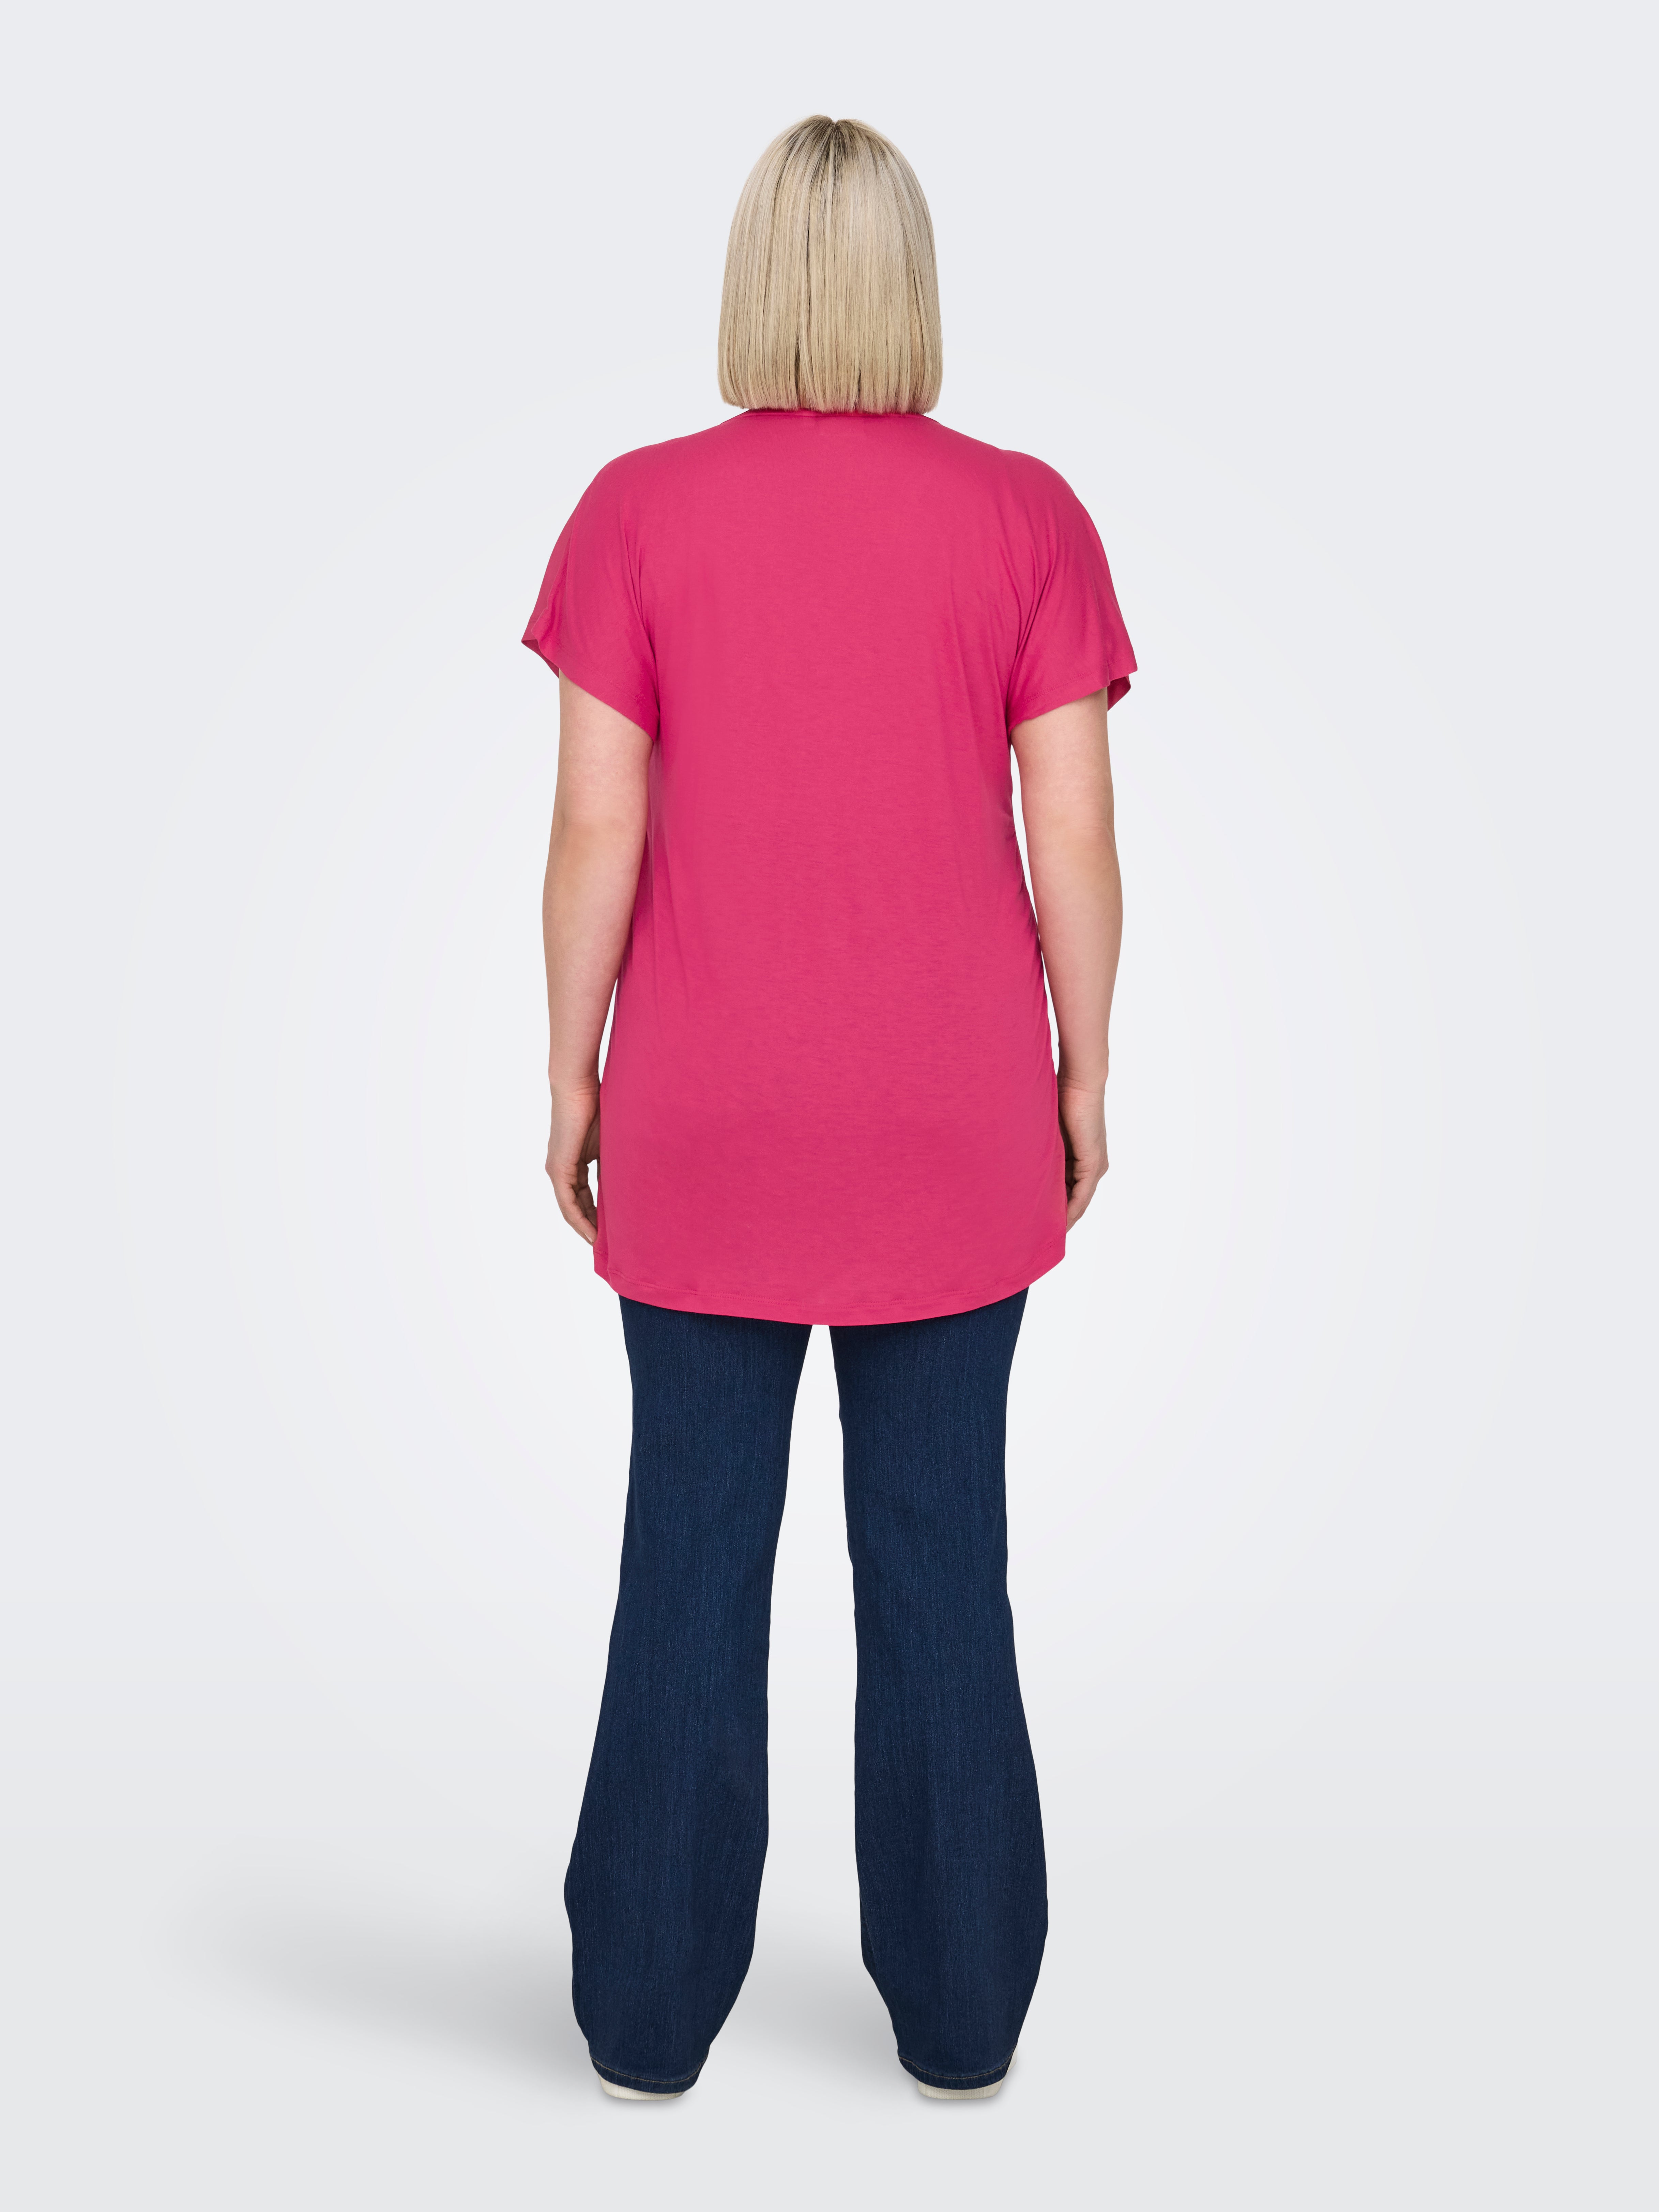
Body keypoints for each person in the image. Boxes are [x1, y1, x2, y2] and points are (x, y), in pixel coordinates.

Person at [523, 114, 1134, 2103]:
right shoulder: (1026, 516)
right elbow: (1073, 837)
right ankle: (962, 2019)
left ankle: (641, 2018)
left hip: (704, 1120)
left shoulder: (635, 512)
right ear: (912, 290)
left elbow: (595, 830)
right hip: (952, 1125)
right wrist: (1085, 1065)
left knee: (688, 1563)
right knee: (942, 1567)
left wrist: (569, 1067)